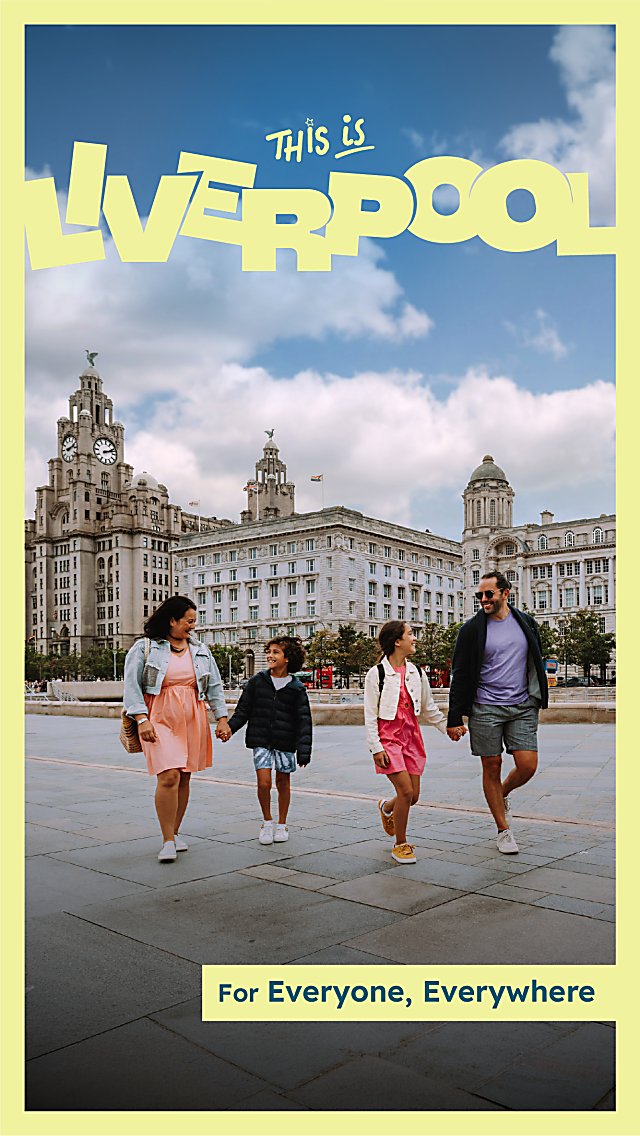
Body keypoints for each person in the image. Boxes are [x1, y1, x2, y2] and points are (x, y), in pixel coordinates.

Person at [446, 570, 548, 854]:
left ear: (505, 593)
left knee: (527, 765)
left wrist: (537, 694)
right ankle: (503, 830)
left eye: (489, 594)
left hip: (522, 705)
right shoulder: (471, 630)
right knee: (491, 765)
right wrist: (454, 717)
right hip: (485, 707)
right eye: (480, 595)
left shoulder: (526, 622)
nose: (484, 599)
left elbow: (535, 659)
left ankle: (500, 794)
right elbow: (460, 673)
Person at [123, 595, 230, 863]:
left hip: (193, 715)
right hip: (159, 715)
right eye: (188, 621)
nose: (193, 626)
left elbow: (214, 686)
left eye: (194, 621)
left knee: (184, 777)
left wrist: (222, 718)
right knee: (168, 775)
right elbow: (131, 686)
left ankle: (175, 831)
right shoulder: (144, 647)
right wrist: (141, 719)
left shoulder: (201, 650)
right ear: (172, 620)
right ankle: (167, 840)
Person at [364, 620, 466, 865]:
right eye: (410, 634)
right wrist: (376, 747)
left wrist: (448, 728)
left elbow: (429, 709)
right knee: (406, 791)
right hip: (388, 739)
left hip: (411, 738)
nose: (414, 638)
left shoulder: (416, 673)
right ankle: (400, 844)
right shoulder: (376, 673)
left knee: (413, 796)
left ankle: (387, 807)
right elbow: (369, 714)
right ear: (397, 641)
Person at [219, 636, 312, 844]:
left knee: (283, 782)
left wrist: (304, 751)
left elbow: (304, 720)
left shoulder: (297, 688)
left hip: (285, 742)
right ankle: (267, 822)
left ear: (287, 658)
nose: (270, 655)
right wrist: (230, 728)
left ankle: (282, 823)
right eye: (269, 651)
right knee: (264, 782)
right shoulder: (257, 682)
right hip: (260, 739)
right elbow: (243, 710)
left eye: (276, 652)